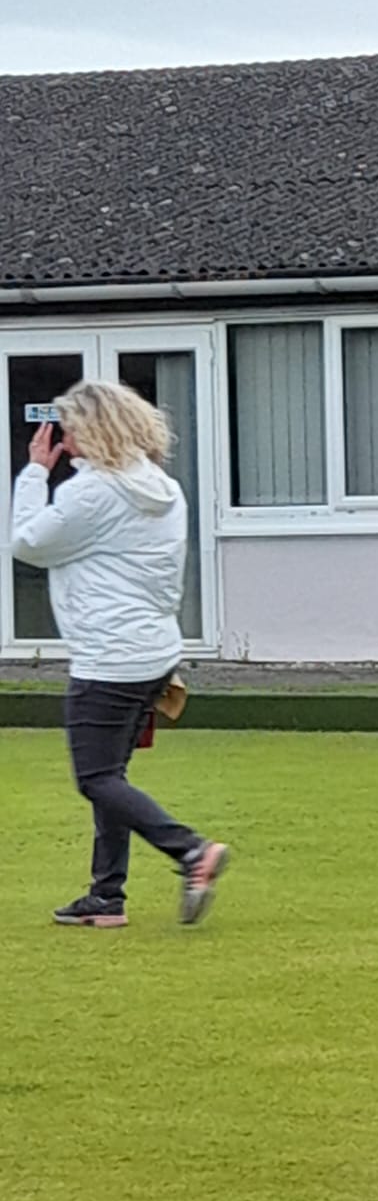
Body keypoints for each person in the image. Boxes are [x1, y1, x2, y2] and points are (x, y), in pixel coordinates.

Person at [10, 380, 229, 929]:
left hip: (108, 656)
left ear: (97, 428)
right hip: (152, 651)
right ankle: (106, 896)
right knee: (114, 774)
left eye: (71, 427)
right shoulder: (161, 486)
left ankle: (191, 852)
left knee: (96, 778)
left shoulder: (93, 493)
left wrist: (36, 472)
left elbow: (28, 544)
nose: (62, 436)